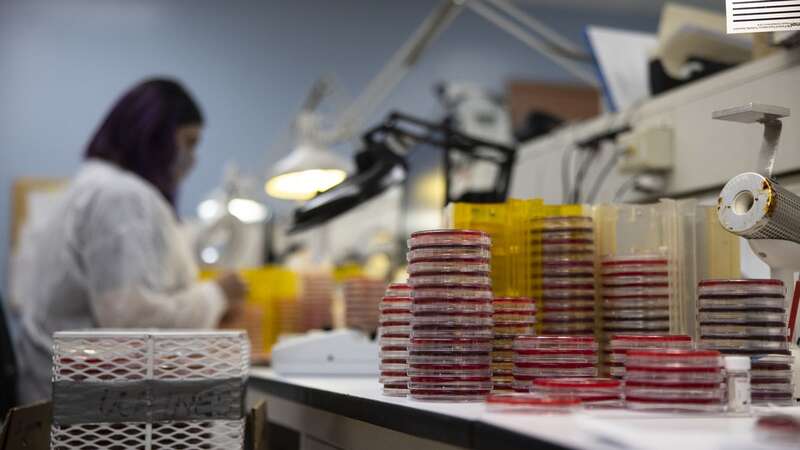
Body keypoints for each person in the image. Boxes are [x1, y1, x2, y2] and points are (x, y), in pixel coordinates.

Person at [13, 78, 247, 403]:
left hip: (69, 396)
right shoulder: (119, 197)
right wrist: (216, 295)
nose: (192, 159)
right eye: (189, 142)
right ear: (154, 134)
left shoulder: (97, 187)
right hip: (80, 409)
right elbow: (131, 321)